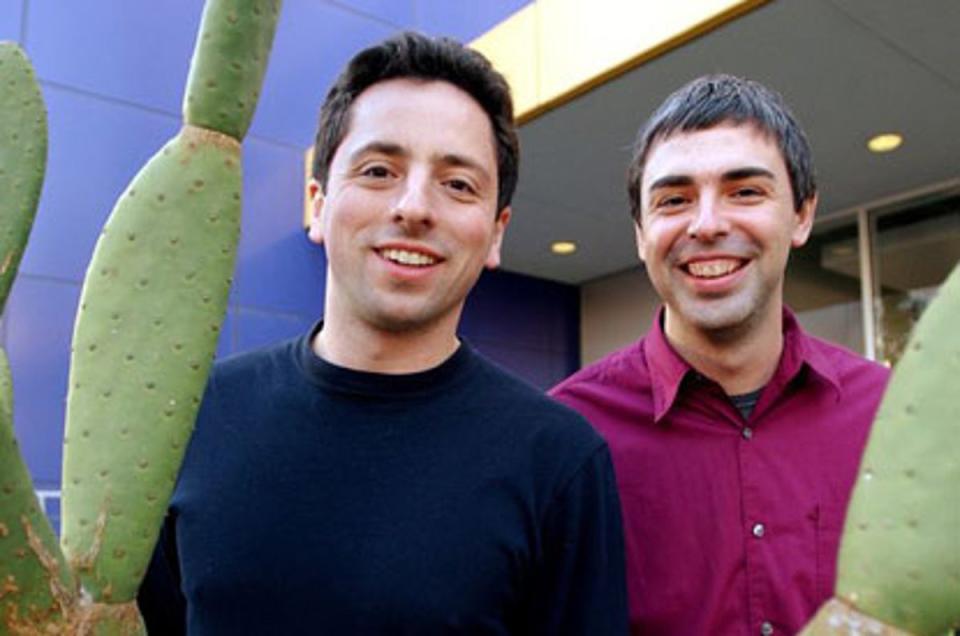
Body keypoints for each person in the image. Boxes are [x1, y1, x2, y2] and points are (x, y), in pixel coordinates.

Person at [136, 32, 627, 635]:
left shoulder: (559, 461)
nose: (414, 207)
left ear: (496, 232)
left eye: (458, 184)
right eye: (378, 170)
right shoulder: (193, 419)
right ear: (318, 201)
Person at [550, 74, 890, 636]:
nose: (707, 224)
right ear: (640, 233)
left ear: (802, 215)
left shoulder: (887, 418)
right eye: (674, 200)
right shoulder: (566, 438)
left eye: (745, 192)